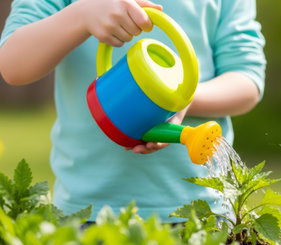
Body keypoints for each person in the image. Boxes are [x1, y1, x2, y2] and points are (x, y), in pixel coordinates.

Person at [0, 0, 266, 222]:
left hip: (203, 214)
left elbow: (247, 77)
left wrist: (184, 97)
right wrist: (82, 14)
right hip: (86, 213)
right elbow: (12, 63)